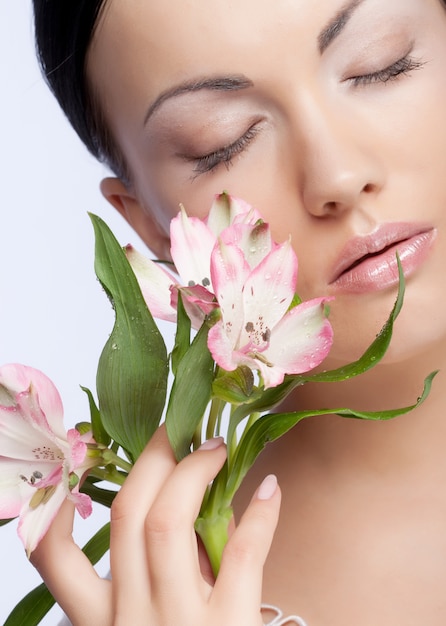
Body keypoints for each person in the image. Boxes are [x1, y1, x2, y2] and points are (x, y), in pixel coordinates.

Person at [29, 0, 446, 624]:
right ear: (152, 226)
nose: (336, 174)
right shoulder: (166, 605)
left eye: (378, 66)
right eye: (224, 143)